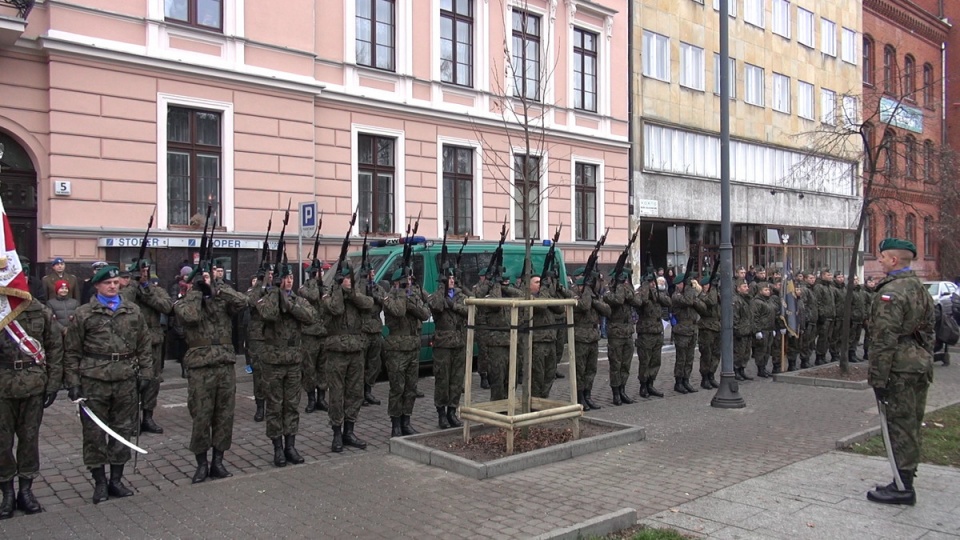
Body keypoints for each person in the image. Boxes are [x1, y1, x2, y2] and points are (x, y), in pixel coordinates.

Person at [64, 265, 153, 504]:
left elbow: (144, 344)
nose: (113, 286)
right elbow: (72, 351)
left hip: (125, 378)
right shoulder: (84, 313)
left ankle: (116, 479)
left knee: (122, 429)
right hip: (94, 380)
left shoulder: (132, 310)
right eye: (107, 283)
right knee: (94, 433)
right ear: (97, 286)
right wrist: (72, 382)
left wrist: (146, 373)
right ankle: (100, 482)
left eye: (115, 282)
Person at [866, 238, 935, 506]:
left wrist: (878, 378)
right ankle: (905, 476)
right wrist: (925, 359)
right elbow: (929, 331)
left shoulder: (891, 293)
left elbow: (884, 339)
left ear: (894, 260)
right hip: (918, 365)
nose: (880, 260)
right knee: (912, 423)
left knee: (899, 425)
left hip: (898, 368)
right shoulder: (919, 288)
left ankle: (902, 486)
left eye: (882, 257)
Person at [174, 267, 248, 483]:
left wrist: (219, 288)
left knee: (224, 416)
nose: (206, 280)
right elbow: (190, 316)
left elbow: (243, 302)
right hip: (200, 367)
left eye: (209, 276)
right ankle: (201, 463)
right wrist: (197, 292)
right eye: (202, 278)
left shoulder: (222, 300)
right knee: (201, 416)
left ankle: (218, 460)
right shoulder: (185, 301)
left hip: (224, 363)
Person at [0, 296, 63, 518]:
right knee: (2, 443)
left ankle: (26, 491)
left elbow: (55, 347)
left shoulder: (40, 310)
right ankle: (7, 492)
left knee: (29, 439)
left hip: (34, 384)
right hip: (2, 386)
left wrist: (53, 384)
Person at [256, 264, 316, 467]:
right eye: (285, 277)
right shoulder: (267, 298)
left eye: (291, 277)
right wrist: (275, 293)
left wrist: (289, 305)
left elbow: (310, 317)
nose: (289, 280)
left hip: (293, 360)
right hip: (273, 361)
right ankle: (278, 448)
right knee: (274, 406)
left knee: (291, 405)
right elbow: (268, 314)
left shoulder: (298, 300)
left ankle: (290, 445)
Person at [323, 265, 374, 452]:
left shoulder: (356, 297)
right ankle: (337, 433)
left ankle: (349, 431)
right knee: (337, 394)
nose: (349, 281)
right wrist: (338, 290)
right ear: (338, 280)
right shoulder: (329, 297)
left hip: (356, 351)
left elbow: (369, 304)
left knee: (355, 393)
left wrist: (351, 294)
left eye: (350, 279)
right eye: (345, 278)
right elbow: (335, 309)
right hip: (337, 352)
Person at [125, 260, 174, 435]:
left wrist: (146, 291)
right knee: (132, 381)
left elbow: (167, 306)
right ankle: (132, 419)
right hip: (132, 343)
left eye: (146, 270)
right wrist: (133, 285)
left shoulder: (156, 290)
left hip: (153, 342)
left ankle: (148, 416)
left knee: (152, 381)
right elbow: (124, 304)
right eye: (140, 271)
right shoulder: (126, 290)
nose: (144, 273)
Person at [382, 268, 430, 436]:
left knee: (411, 388)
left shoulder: (411, 296)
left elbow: (425, 314)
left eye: (408, 280)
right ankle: (395, 424)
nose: (408, 283)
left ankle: (406, 421)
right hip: (396, 349)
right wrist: (403, 293)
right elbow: (399, 311)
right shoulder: (389, 297)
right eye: (404, 281)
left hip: (412, 348)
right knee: (397, 388)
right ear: (396, 282)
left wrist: (410, 299)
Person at [428, 268, 468, 429]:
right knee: (442, 379)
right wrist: (441, 290)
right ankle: (441, 414)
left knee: (456, 380)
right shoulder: (437, 296)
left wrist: (453, 306)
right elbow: (435, 307)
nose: (451, 280)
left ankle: (452, 411)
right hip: (443, 345)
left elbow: (470, 310)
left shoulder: (460, 296)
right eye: (448, 278)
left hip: (459, 343)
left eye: (452, 278)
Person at [573, 268, 610, 409]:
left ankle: (588, 395)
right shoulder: (575, 296)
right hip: (581, 338)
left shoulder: (594, 297)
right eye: (584, 286)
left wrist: (595, 300)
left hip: (593, 337)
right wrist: (587, 292)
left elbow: (607, 310)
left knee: (591, 369)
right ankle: (579, 397)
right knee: (580, 370)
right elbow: (584, 306)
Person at [603, 268, 639, 405]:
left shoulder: (626, 289)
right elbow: (618, 300)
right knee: (615, 364)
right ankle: (616, 393)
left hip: (628, 332)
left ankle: (623, 389)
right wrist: (618, 286)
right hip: (616, 332)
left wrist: (625, 287)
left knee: (625, 364)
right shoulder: (608, 292)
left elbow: (636, 301)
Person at [297, 262, 328, 414]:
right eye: (319, 271)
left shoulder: (325, 287)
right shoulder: (303, 288)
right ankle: (311, 399)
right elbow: (314, 296)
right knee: (309, 368)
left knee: (323, 367)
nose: (321, 273)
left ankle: (321, 398)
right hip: (309, 334)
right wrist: (315, 282)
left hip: (323, 333)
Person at [635, 273, 671, 398]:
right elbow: (641, 302)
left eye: (653, 282)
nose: (652, 284)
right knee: (645, 361)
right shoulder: (641, 293)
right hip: (646, 333)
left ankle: (651, 384)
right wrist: (646, 288)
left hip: (657, 331)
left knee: (656, 361)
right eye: (649, 282)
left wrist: (657, 293)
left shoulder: (657, 293)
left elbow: (668, 301)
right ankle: (643, 385)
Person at [246, 264, 273, 422]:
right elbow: (251, 301)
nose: (269, 276)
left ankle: (272, 405)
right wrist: (259, 284)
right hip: (258, 337)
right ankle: (260, 406)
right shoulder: (253, 290)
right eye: (267, 274)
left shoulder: (275, 289)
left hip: (274, 336)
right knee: (259, 374)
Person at [671, 273, 705, 393]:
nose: (683, 286)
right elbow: (688, 301)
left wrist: (695, 295)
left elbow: (703, 308)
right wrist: (690, 290)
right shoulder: (676, 296)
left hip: (692, 329)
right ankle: (679, 382)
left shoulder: (690, 295)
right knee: (681, 358)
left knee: (689, 358)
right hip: (681, 330)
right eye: (682, 284)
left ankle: (686, 380)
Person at [360, 266, 386, 406]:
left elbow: (385, 300)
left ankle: (368, 391)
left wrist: (377, 297)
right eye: (371, 272)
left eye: (374, 271)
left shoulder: (378, 288)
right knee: (361, 363)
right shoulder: (359, 287)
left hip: (376, 329)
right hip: (363, 329)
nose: (373, 274)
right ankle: (360, 394)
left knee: (374, 364)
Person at [697, 274, 721, 388]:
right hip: (706, 327)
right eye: (707, 285)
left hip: (716, 326)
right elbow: (711, 302)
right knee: (707, 353)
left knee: (716, 353)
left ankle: (712, 375)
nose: (709, 287)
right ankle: (705, 377)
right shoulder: (701, 296)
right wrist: (713, 288)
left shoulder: (715, 294)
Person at [733, 278, 755, 381]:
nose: (747, 288)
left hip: (748, 330)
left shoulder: (748, 299)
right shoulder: (736, 300)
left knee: (746, 353)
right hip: (740, 332)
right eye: (744, 286)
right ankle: (736, 371)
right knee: (738, 353)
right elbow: (735, 317)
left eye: (747, 286)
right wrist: (737, 331)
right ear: (738, 288)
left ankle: (742, 370)